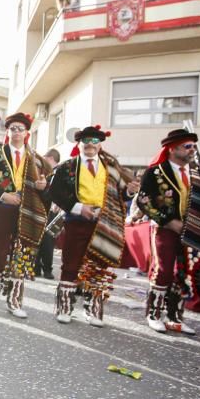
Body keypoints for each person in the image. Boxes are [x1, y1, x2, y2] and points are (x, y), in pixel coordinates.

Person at [47, 126, 139, 327]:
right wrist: (79, 208)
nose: (90, 144)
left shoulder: (112, 169)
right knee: (70, 265)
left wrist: (130, 192)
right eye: (86, 140)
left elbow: (121, 195)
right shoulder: (67, 166)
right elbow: (53, 192)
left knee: (100, 266)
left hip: (105, 223)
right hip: (76, 222)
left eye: (95, 141)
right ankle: (64, 308)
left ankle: (94, 310)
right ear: (79, 144)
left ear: (100, 145)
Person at [137, 128, 200, 334]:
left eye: (194, 147)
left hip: (191, 230)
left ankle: (175, 317)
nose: (192, 151)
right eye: (188, 146)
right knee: (163, 269)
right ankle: (153, 314)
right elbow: (144, 200)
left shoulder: (197, 173)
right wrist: (168, 221)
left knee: (185, 272)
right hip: (165, 228)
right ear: (173, 149)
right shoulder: (155, 172)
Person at [0, 112, 50, 318]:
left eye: (20, 129)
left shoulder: (36, 159)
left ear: (27, 133)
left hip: (26, 213)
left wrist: (42, 187)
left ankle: (15, 302)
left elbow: (46, 188)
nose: (16, 132)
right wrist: (3, 195)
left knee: (22, 256)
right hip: (1, 210)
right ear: (7, 132)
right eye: (13, 129)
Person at [34, 148, 61, 280]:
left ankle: (47, 269)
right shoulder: (48, 172)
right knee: (38, 239)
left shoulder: (59, 172)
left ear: (50, 158)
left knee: (48, 241)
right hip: (42, 207)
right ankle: (36, 268)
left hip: (51, 209)